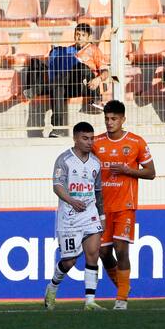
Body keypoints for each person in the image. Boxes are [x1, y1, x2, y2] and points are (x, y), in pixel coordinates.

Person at [92, 100, 156, 310]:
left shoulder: (136, 142)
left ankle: (121, 300)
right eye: (107, 119)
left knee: (121, 250)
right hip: (100, 208)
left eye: (114, 119)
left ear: (123, 120)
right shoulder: (96, 143)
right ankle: (123, 286)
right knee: (102, 253)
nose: (109, 123)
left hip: (125, 206)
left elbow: (150, 173)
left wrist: (128, 170)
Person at [44, 121, 106, 311]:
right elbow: (57, 186)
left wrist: (101, 215)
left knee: (93, 254)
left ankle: (89, 301)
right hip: (69, 217)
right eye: (85, 138)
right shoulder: (64, 160)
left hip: (90, 214)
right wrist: (71, 201)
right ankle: (52, 287)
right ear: (75, 138)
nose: (89, 142)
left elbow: (97, 191)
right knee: (69, 261)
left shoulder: (96, 162)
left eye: (92, 138)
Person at [48, 24, 109, 138]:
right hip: (70, 85)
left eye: (83, 35)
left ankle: (95, 99)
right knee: (57, 89)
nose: (79, 37)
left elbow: (106, 72)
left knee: (82, 67)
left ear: (89, 37)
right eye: (77, 35)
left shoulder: (94, 50)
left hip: (87, 86)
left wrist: (98, 79)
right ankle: (58, 129)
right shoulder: (68, 51)